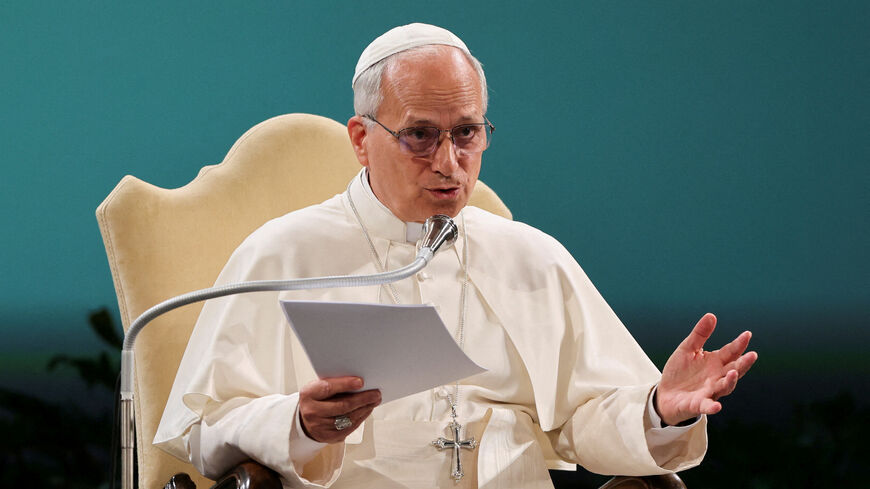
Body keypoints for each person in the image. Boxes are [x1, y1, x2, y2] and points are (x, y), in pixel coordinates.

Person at [155, 23, 757, 488]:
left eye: (467, 132)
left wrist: (659, 409)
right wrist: (297, 424)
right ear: (362, 139)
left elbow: (583, 420)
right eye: (420, 135)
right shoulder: (281, 255)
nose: (449, 162)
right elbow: (200, 430)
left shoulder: (531, 258)